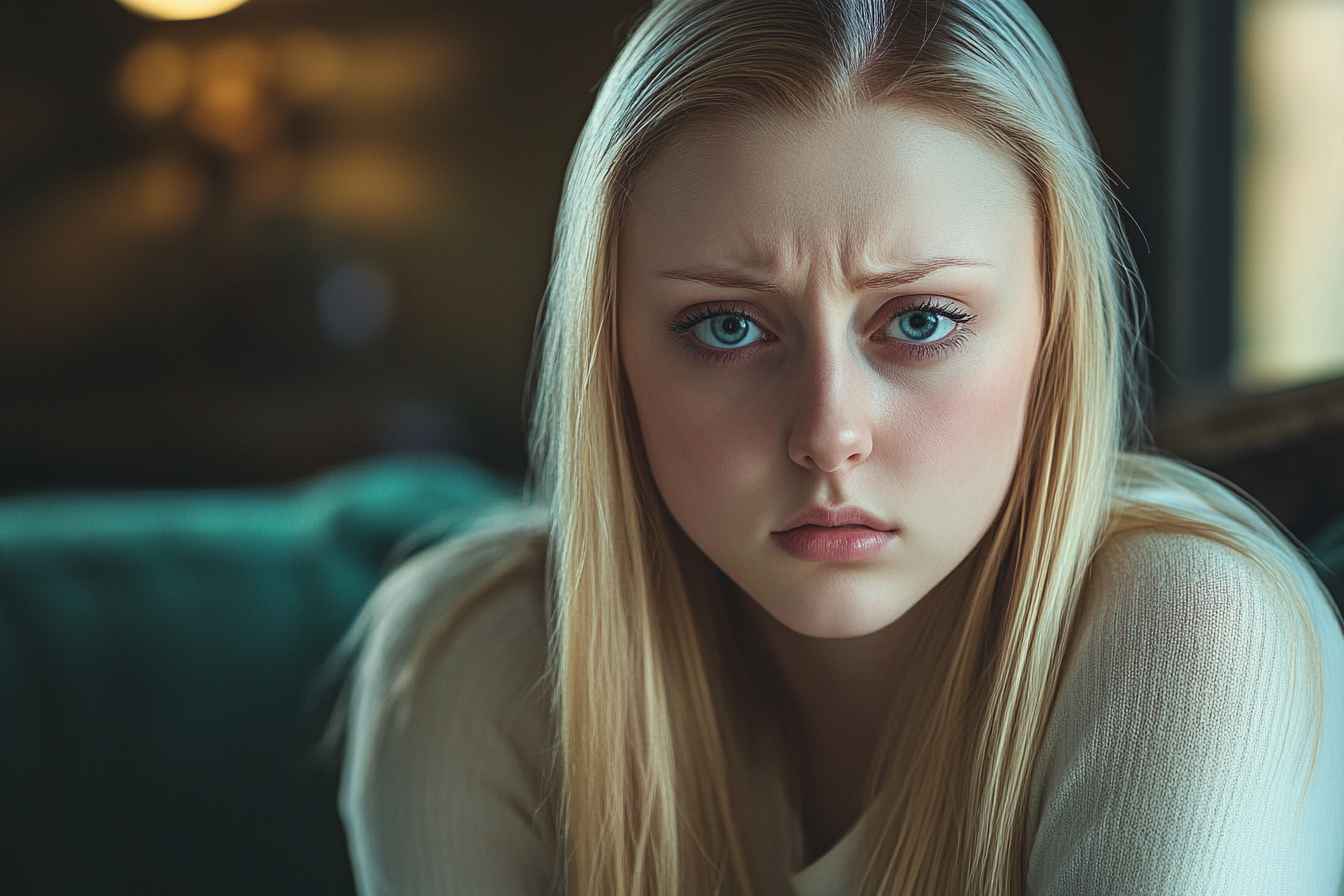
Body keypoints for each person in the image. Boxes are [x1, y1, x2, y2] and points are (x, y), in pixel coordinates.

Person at [334, 1, 1344, 893]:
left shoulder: (1198, 635)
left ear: (1057, 329)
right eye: (727, 326)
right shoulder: (471, 660)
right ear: (611, 349)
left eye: (919, 321)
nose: (828, 433)